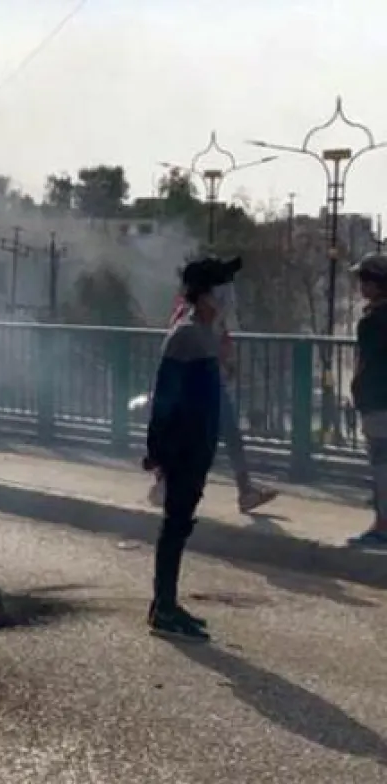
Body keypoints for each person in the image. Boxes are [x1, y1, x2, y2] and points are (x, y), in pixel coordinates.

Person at [142, 256, 238, 643]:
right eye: (221, 288)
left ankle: (166, 604)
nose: (228, 296)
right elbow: (164, 396)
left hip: (197, 442)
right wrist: (157, 450)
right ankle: (163, 607)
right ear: (205, 294)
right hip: (183, 444)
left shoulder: (203, 333)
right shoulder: (186, 335)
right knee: (175, 524)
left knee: (180, 523)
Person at [148, 257, 277, 514]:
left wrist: (223, 364)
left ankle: (243, 490)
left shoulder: (211, 319)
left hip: (211, 383)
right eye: (222, 286)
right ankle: (168, 482)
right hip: (198, 388)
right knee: (203, 436)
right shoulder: (187, 322)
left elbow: (218, 344)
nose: (228, 293)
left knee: (228, 434)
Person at [349, 254, 387, 547]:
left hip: (377, 400)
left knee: (380, 463)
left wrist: (357, 390)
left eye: (364, 279)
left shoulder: (372, 322)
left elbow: (366, 363)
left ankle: (382, 526)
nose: (360, 285)